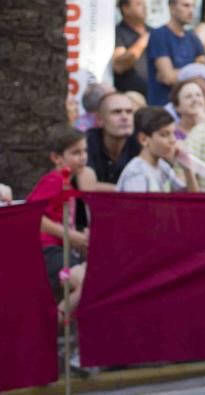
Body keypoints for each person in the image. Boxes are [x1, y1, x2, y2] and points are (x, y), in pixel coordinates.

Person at [27, 126, 90, 318]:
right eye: (75, 152)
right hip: (48, 251)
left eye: (85, 151)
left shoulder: (67, 182)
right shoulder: (53, 180)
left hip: (60, 251)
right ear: (56, 158)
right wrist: (70, 235)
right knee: (86, 280)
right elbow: (32, 215)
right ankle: (54, 325)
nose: (83, 157)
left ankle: (59, 324)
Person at [147, 0, 205, 106]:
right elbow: (168, 77)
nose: (191, 11)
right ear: (172, 8)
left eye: (193, 6)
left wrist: (177, 74)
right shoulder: (159, 34)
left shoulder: (192, 37)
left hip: (190, 106)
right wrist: (194, 72)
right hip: (165, 107)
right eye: (186, 6)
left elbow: (204, 70)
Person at [117, 107, 199, 192]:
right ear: (143, 139)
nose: (173, 140)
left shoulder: (164, 167)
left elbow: (190, 198)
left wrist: (188, 170)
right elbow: (135, 205)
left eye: (174, 133)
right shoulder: (136, 173)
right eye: (164, 134)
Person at [85, 92, 140, 188]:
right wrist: (131, 191)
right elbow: (88, 187)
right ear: (99, 119)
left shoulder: (140, 141)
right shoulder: (86, 142)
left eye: (129, 112)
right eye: (116, 112)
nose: (125, 117)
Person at [111, 0, 150, 96]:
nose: (145, 7)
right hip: (129, 98)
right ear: (125, 8)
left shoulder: (153, 32)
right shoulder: (117, 32)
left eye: (144, 3)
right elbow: (119, 66)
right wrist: (142, 42)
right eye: (138, 4)